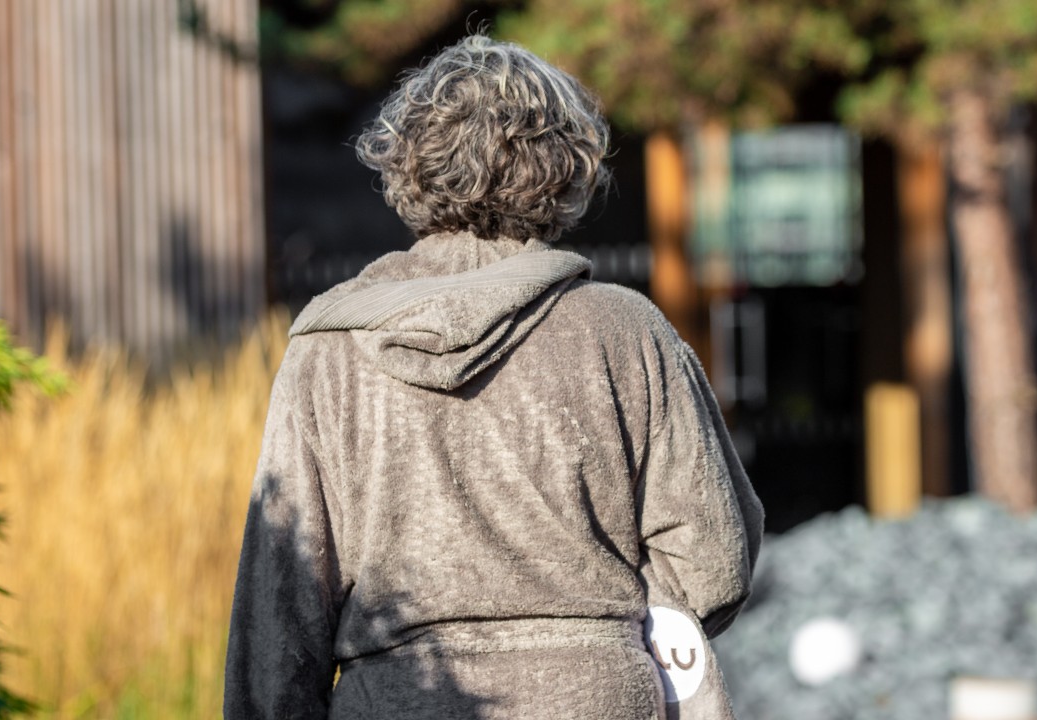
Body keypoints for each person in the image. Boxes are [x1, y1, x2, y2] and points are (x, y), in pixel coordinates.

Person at [224, 34, 763, 720]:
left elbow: (279, 608)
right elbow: (714, 561)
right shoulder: (626, 333)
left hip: (396, 700)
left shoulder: (328, 352)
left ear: (406, 163)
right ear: (567, 165)